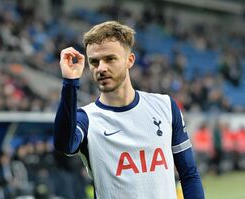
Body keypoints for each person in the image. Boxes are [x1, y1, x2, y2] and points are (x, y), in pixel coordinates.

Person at [54, 21, 205, 199]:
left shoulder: (165, 107)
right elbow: (63, 144)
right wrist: (70, 83)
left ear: (129, 60)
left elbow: (189, 174)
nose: (101, 68)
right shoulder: (86, 119)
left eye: (110, 59)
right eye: (94, 62)